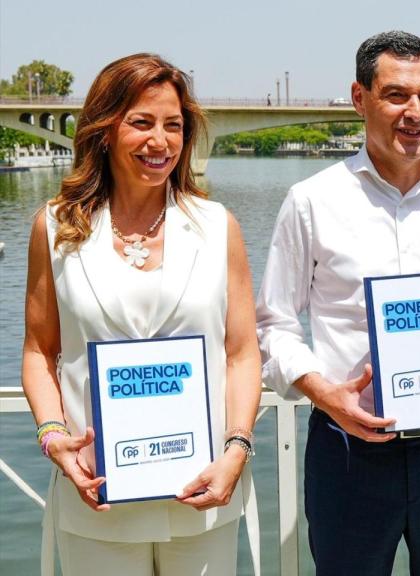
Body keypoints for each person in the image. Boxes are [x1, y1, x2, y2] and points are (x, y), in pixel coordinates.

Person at [255, 31, 420, 576]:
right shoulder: (312, 201)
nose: (415, 112)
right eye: (397, 95)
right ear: (360, 98)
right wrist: (322, 392)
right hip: (349, 449)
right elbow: (276, 324)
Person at [21, 53, 261, 575]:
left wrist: (237, 449)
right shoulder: (54, 228)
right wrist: (54, 437)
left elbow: (242, 353)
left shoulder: (218, 226)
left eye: (173, 125)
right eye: (141, 122)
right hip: (96, 498)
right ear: (105, 130)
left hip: (203, 491)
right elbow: (40, 351)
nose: (161, 141)